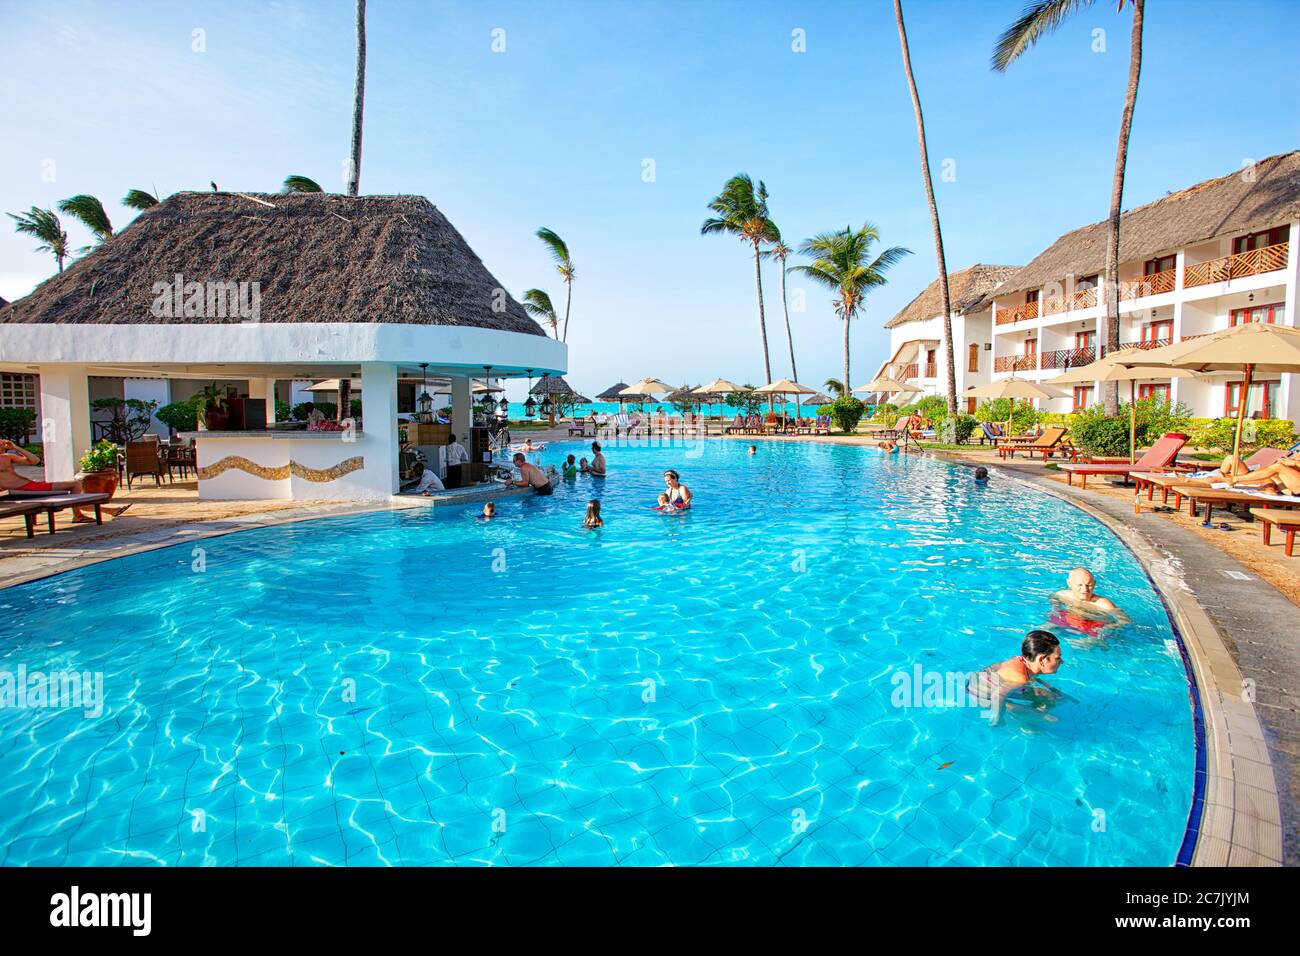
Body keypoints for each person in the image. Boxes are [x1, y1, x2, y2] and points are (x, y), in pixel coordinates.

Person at [0, 439, 129, 521]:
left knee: (75, 486)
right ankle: (83, 514)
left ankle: (82, 514)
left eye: (2, 443)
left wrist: (15, 447)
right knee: (74, 485)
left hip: (32, 486)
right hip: (24, 490)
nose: (2, 445)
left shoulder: (7, 457)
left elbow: (35, 460)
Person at [968, 630, 1065, 726]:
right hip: (980, 696)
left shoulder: (1022, 661)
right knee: (1051, 719)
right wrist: (998, 718)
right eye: (1058, 658)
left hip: (983, 684)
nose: (1062, 661)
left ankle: (1029, 717)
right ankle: (1027, 725)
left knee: (1049, 697)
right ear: (1041, 660)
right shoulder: (1020, 677)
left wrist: (1048, 688)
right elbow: (997, 696)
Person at [1225, 452, 1300, 496]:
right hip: (1291, 490)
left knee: (1278, 467)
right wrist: (1291, 461)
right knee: (1272, 471)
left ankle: (1235, 479)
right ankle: (1230, 479)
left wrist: (1294, 463)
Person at [1052, 568, 1120, 614]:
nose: (1085, 589)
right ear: (1069, 583)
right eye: (1080, 585)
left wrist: (1109, 627)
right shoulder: (1062, 595)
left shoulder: (1104, 605)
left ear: (1094, 584)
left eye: (1088, 585)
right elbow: (1053, 597)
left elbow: (1125, 621)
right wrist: (1056, 608)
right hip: (1070, 619)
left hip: (1094, 625)